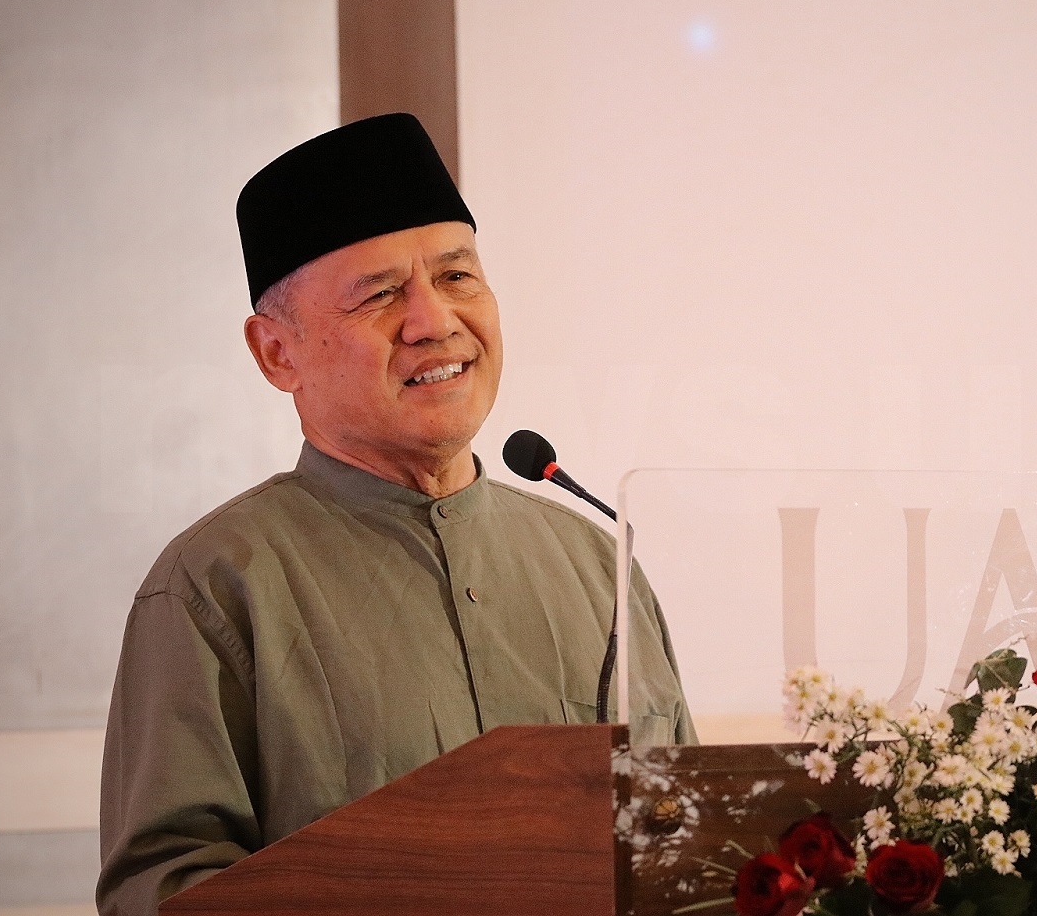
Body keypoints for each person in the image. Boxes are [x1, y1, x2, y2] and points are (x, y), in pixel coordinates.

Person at [97, 113, 695, 915]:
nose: (434, 321)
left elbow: (694, 845)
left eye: (457, 277)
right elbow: (162, 892)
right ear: (277, 352)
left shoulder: (596, 562)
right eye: (379, 294)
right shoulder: (215, 585)